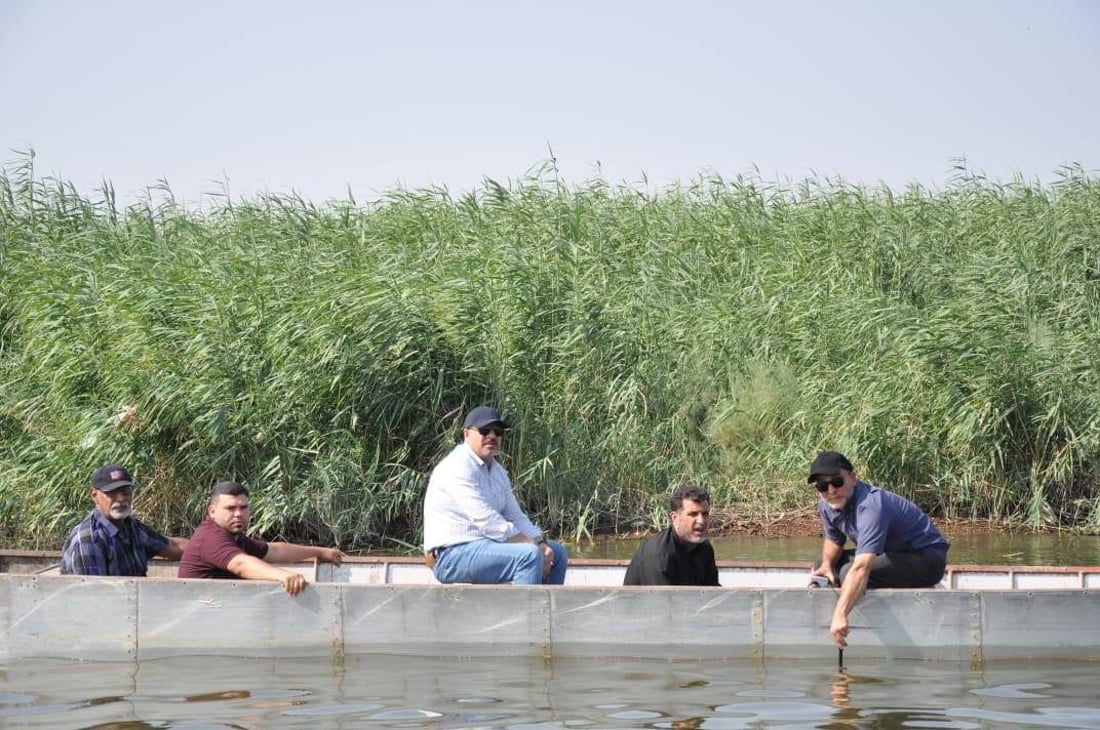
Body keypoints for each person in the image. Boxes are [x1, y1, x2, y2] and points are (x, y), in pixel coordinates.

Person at [807, 450, 951, 648]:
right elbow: (834, 540)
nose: (830, 490)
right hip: (890, 555)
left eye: (837, 482)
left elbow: (861, 567)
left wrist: (841, 614)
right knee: (823, 565)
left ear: (853, 478)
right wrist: (825, 565)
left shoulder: (870, 506)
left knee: (849, 572)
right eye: (822, 486)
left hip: (926, 560)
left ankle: (845, 617)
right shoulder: (827, 504)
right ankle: (838, 609)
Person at [422, 405, 568, 584]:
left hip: (486, 547)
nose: (492, 436)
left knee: (557, 553)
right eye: (484, 430)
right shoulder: (457, 466)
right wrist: (531, 545)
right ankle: (527, 611)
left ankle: (547, 611)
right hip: (450, 556)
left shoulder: (498, 472)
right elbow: (487, 521)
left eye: (497, 431)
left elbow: (516, 517)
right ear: (466, 434)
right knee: (528, 555)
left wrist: (540, 541)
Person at [178, 481, 344, 596]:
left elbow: (275, 550)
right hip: (200, 610)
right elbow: (240, 564)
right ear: (212, 511)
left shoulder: (234, 537)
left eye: (243, 507)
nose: (238, 514)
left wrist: (321, 552)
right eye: (230, 508)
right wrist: (281, 575)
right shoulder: (210, 537)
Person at [60, 463, 188, 576]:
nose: (121, 499)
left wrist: (205, 547)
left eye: (125, 491)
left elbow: (172, 546)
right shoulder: (89, 539)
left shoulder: (131, 527)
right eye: (112, 492)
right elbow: (93, 595)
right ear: (94, 495)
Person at [623, 483, 720, 586]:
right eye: (693, 514)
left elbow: (712, 592)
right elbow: (660, 601)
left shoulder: (705, 548)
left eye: (705, 514)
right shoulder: (658, 556)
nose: (701, 521)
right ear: (675, 518)